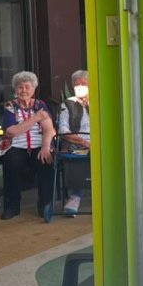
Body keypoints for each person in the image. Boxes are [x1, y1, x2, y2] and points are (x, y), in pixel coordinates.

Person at [0, 71, 56, 220]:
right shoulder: (10, 106)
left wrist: (45, 147)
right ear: (15, 89)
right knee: (11, 161)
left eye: (27, 87)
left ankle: (45, 205)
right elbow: (11, 131)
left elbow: (49, 129)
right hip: (16, 146)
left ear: (33, 89)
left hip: (39, 145)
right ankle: (12, 206)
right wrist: (35, 118)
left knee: (46, 160)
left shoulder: (40, 105)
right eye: (20, 87)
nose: (23, 90)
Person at [56, 70, 90, 217]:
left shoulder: (101, 102)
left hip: (100, 145)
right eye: (77, 85)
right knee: (85, 155)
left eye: (84, 84)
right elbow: (63, 130)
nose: (80, 87)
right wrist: (83, 141)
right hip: (78, 144)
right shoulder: (68, 104)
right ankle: (75, 197)